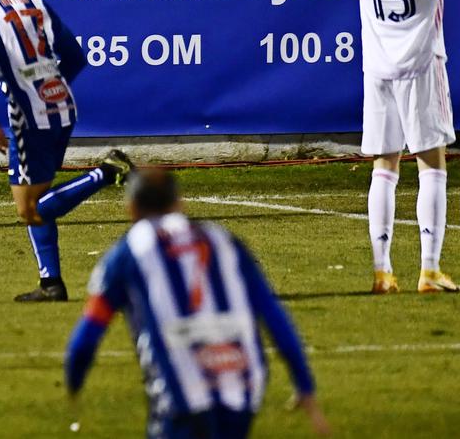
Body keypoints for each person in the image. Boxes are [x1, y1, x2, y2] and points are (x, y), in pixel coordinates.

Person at [65, 169, 330, 438]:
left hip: (180, 392)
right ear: (179, 201)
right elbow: (274, 316)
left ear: (131, 208)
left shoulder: (126, 254)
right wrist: (304, 384)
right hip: (242, 385)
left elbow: (87, 336)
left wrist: (74, 382)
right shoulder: (225, 241)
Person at [0, 0, 132, 301]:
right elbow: (75, 56)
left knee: (30, 208)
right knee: (40, 197)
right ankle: (51, 283)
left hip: (28, 116)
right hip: (61, 105)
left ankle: (106, 172)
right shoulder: (34, 1)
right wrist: (49, 84)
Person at [331, 0, 460, 294]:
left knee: (384, 168)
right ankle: (429, 269)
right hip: (423, 67)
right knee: (431, 166)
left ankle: (383, 271)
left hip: (379, 71)